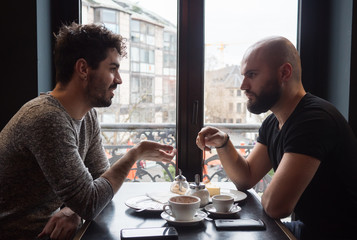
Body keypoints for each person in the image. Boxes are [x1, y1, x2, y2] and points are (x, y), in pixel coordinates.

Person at [0, 23, 176, 240]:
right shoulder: (46, 119)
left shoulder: (87, 115)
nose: (119, 79)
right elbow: (91, 202)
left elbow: (101, 185)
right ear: (83, 69)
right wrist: (134, 154)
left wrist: (73, 211)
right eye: (112, 69)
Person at [196, 36, 357, 239]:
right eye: (244, 75)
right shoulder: (273, 122)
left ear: (284, 72)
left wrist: (273, 192)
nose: (243, 86)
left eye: (252, 75)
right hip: (308, 229)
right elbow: (245, 178)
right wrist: (224, 143)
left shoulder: (313, 120)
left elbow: (276, 207)